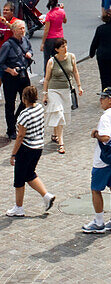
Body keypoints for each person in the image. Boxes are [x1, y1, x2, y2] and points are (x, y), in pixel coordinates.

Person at [82, 86, 111, 234]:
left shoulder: (106, 117)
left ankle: (99, 222)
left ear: (110, 99)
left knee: (95, 190)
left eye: (103, 97)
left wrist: (95, 134)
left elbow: (106, 138)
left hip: (103, 160)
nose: (100, 100)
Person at [6, 85, 55, 218]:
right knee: (29, 174)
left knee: (19, 179)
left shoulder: (24, 115)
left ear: (24, 99)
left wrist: (13, 154)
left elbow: (20, 136)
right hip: (38, 147)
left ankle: (19, 207)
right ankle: (46, 196)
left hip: (26, 149)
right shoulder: (39, 108)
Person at [42, 36, 82, 154]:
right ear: (56, 49)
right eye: (62, 46)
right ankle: (61, 143)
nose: (65, 48)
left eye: (65, 45)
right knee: (59, 114)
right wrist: (45, 94)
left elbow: (75, 71)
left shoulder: (71, 57)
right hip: (53, 90)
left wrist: (79, 86)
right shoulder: (51, 61)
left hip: (66, 90)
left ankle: (55, 135)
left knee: (63, 114)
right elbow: (46, 79)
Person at [0, 21, 34, 139]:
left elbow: (30, 49)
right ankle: (11, 130)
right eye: (20, 28)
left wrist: (29, 53)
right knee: (10, 104)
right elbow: (1, 63)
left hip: (23, 74)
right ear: (14, 30)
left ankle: (17, 120)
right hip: (11, 77)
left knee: (28, 99)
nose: (22, 30)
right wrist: (9, 70)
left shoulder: (25, 40)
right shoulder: (7, 45)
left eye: (23, 28)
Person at [41, 0, 66, 67]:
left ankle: (46, 75)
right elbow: (64, 21)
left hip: (50, 38)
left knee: (47, 58)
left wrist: (43, 43)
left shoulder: (49, 15)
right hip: (60, 37)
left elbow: (46, 30)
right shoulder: (62, 12)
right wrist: (62, 9)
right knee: (59, 58)